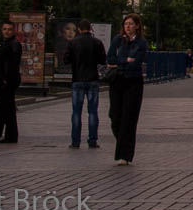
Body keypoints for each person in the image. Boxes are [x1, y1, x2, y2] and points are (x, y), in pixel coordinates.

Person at [107, 13, 148, 165]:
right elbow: (110, 58)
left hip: (133, 82)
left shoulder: (141, 42)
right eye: (126, 24)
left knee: (129, 119)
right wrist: (124, 60)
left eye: (131, 24)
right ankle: (124, 143)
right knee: (114, 116)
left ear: (137, 26)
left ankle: (124, 155)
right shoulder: (118, 40)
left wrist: (121, 62)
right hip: (117, 80)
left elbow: (136, 62)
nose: (128, 27)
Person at [63, 19, 107, 149]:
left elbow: (66, 60)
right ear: (90, 29)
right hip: (93, 80)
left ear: (79, 29)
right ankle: (92, 140)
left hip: (77, 80)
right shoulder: (97, 43)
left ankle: (75, 141)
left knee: (76, 112)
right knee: (93, 112)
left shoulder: (73, 43)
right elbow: (102, 60)